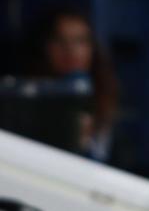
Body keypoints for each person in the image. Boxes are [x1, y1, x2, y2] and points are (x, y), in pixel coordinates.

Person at [24, 8, 120, 162]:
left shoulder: (106, 98)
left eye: (80, 41)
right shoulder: (27, 96)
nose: (70, 50)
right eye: (60, 41)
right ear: (45, 47)